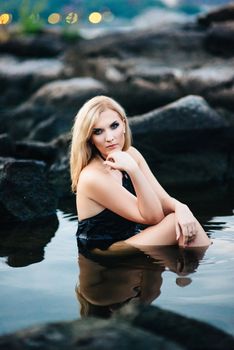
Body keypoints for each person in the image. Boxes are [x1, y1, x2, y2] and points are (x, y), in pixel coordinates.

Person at [70, 95, 211, 255]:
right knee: (173, 223)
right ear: (90, 138)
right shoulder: (92, 177)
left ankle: (194, 265)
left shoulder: (131, 154)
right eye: (98, 131)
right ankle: (205, 264)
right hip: (103, 251)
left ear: (123, 124)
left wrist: (182, 208)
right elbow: (154, 217)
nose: (109, 138)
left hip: (133, 238)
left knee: (181, 219)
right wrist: (134, 171)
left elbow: (163, 201)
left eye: (114, 126)